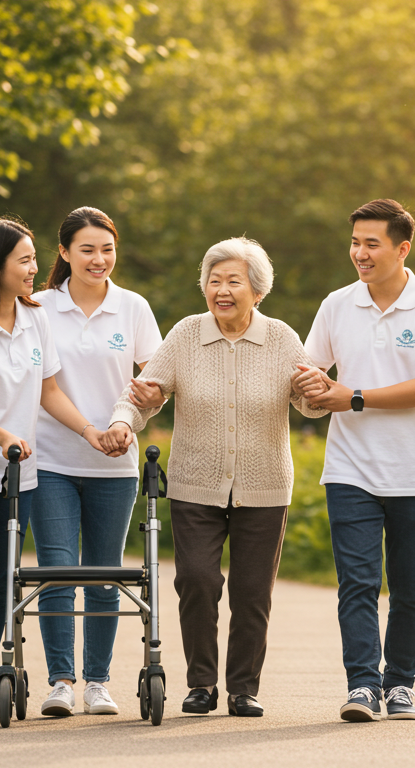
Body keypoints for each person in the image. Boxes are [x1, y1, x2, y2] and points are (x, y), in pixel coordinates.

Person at [107, 237, 327, 718]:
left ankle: (243, 688)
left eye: (234, 280)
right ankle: (201, 683)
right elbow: (146, 393)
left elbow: (309, 404)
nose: (222, 289)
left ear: (258, 290)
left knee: (252, 592)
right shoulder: (186, 334)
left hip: (265, 485)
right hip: (194, 484)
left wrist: (315, 392)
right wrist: (123, 420)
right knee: (197, 580)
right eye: (214, 280)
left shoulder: (282, 339)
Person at [0, 216, 118, 723]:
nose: (37, 269)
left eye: (36, 258)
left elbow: (49, 391)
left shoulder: (36, 318)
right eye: (26, 260)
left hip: (20, 474)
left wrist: (90, 433)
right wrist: (3, 436)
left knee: (1, 580)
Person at [292, 199, 415, 722]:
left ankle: (401, 684)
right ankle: (363, 685)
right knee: (358, 583)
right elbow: (309, 369)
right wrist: (310, 384)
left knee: (411, 588)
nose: (359, 253)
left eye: (371, 244)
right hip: (350, 470)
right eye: (355, 243)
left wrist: (353, 397)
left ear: (401, 248)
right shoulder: (337, 304)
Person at [27, 207, 162, 718]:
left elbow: (155, 382)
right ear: (63, 252)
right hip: (54, 460)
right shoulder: (37, 307)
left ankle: (98, 682)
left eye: (107, 249)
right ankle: (60, 679)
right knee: (58, 570)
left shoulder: (132, 308)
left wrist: (130, 421)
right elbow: (40, 387)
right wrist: (88, 429)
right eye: (87, 249)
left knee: (106, 575)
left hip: (115, 463)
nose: (99, 259)